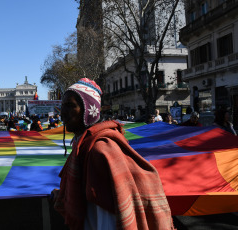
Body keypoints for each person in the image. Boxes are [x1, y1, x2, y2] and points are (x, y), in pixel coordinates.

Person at [51, 78, 174, 230]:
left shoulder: (100, 150)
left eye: (70, 106)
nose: (62, 113)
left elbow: (106, 216)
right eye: (62, 106)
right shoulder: (82, 145)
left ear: (88, 110)